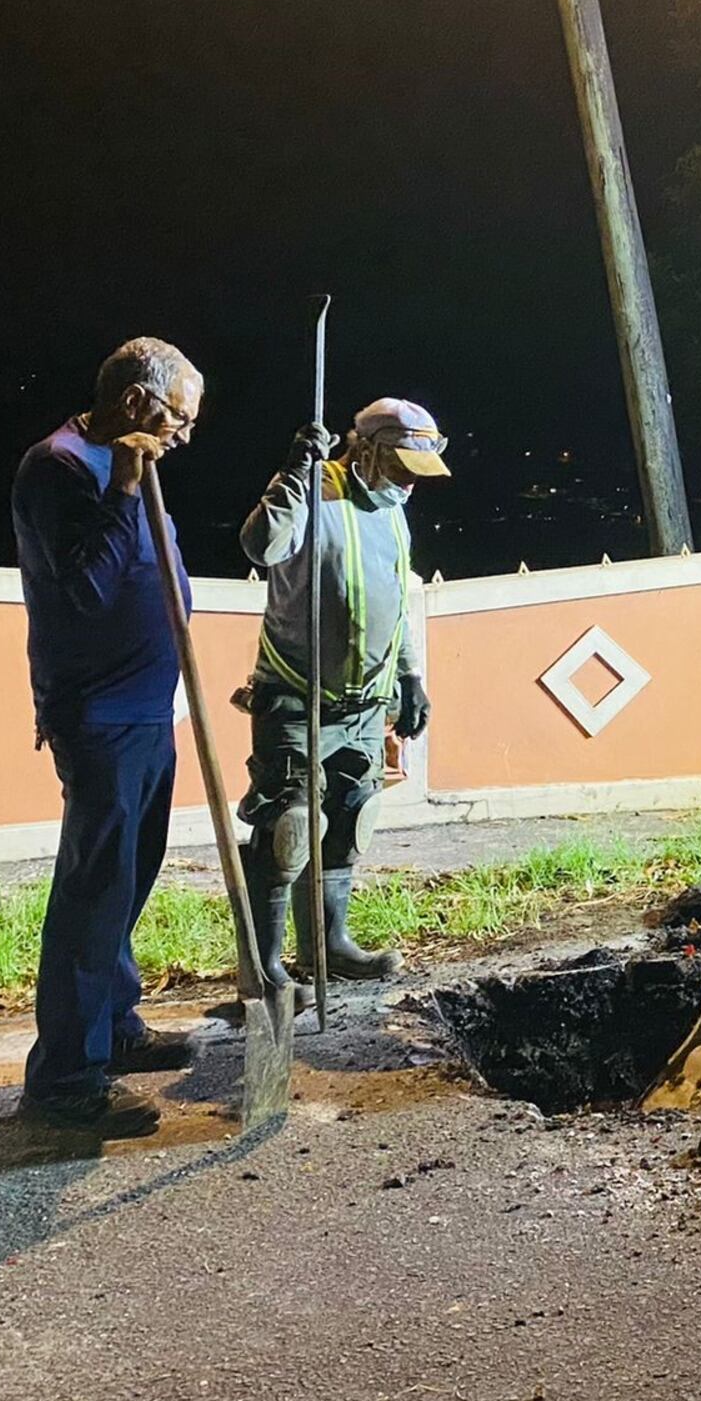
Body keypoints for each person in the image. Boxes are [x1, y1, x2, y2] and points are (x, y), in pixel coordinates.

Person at [9, 338, 204, 1134]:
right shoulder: (57, 468)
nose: (185, 436)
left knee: (125, 880)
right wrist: (125, 489)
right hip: (99, 714)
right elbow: (84, 591)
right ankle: (63, 1080)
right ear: (134, 404)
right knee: (93, 894)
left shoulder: (128, 467)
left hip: (146, 709)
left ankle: (114, 1028)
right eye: (179, 419)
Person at [234, 397, 446, 1001]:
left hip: (364, 704)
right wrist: (291, 476)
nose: (409, 482)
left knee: (350, 823)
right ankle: (264, 968)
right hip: (296, 698)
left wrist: (408, 676)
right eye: (402, 466)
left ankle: (330, 945)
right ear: (368, 448)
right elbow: (262, 546)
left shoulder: (394, 510)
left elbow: (395, 598)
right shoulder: (313, 490)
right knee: (289, 828)